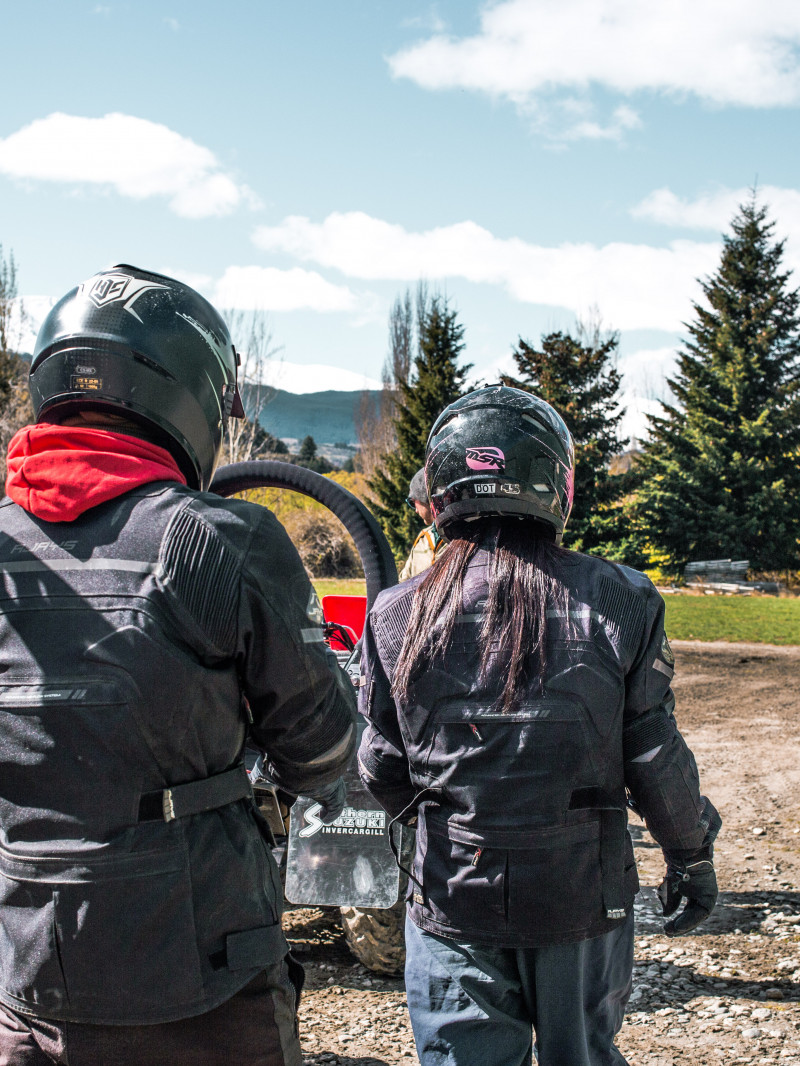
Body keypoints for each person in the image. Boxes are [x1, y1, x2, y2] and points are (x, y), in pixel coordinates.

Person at [0, 265, 356, 1066]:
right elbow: (325, 751)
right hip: (201, 976)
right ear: (186, 392)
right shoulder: (226, 539)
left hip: (30, 974)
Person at [357, 385, 720, 1066]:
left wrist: (451, 817)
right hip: (580, 898)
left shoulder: (395, 613)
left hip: (453, 895)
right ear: (558, 485)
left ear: (440, 489)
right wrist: (690, 855)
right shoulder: (622, 598)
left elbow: (379, 767)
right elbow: (653, 755)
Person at [399, 468, 444, 581]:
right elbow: (402, 583)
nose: (415, 510)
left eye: (412, 502)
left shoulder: (462, 539)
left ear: (425, 498)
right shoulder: (422, 539)